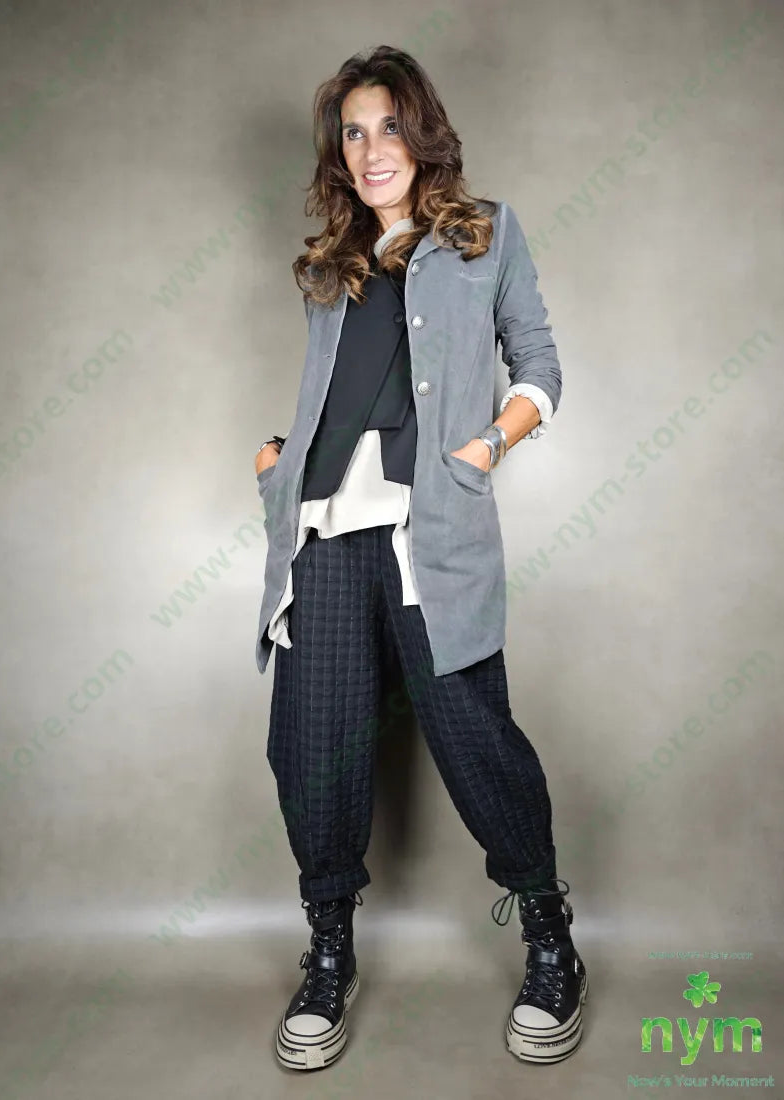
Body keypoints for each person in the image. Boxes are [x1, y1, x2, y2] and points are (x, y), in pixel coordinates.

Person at [252, 44, 587, 1073]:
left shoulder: (485, 235)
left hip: (428, 534)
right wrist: (277, 462)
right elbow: (332, 394)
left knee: (475, 737)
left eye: (388, 125)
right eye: (352, 133)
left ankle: (549, 937)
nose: (370, 149)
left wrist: (486, 446)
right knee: (312, 749)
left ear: (422, 133)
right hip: (322, 535)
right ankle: (330, 950)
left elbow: (540, 363)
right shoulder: (330, 265)